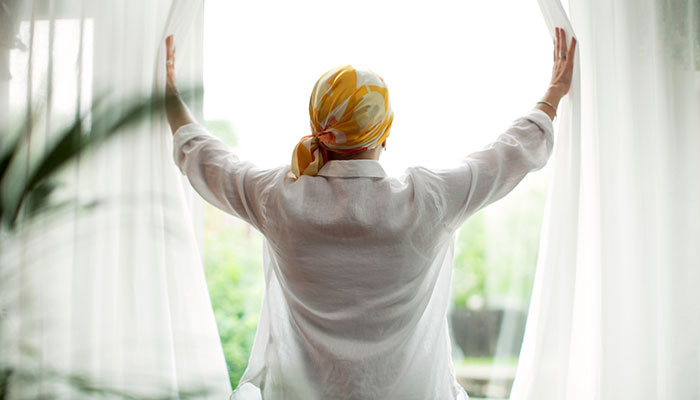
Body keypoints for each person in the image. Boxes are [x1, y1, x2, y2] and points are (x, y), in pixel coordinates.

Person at [164, 27, 576, 400]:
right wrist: (553, 95)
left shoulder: (279, 199)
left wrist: (168, 98)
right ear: (385, 131)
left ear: (316, 124)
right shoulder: (428, 200)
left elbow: (206, 158)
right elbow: (506, 157)